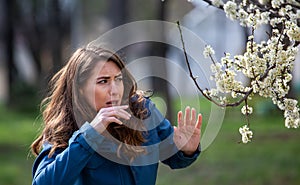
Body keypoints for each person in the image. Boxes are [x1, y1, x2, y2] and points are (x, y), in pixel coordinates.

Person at [31, 45, 202, 185]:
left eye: (118, 79)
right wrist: (89, 136)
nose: (114, 90)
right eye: (103, 81)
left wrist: (186, 150)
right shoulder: (65, 128)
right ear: (80, 89)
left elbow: (174, 158)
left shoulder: (142, 111)